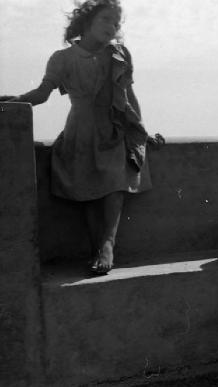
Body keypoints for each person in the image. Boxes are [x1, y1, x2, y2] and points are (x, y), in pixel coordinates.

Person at [1, 0, 163, 275]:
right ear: (86, 21)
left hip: (113, 127)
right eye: (106, 20)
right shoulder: (62, 58)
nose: (112, 27)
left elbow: (129, 96)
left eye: (116, 23)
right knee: (85, 188)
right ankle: (96, 247)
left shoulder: (120, 54)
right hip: (81, 130)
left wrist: (141, 130)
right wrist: (13, 101)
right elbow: (41, 94)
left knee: (115, 183)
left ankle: (108, 244)